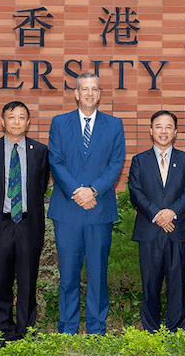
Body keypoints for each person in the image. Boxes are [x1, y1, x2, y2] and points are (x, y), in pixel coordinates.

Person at [47, 72, 126, 335]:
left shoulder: (114, 125)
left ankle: (96, 328)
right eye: (85, 89)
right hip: (67, 210)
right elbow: (55, 162)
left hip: (99, 209)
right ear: (77, 93)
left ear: (100, 93)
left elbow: (116, 164)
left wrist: (92, 190)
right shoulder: (59, 123)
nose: (90, 93)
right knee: (68, 274)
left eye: (95, 89)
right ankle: (67, 327)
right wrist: (76, 191)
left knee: (97, 275)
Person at [0, 101, 50, 343]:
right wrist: (3, 210)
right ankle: (3, 329)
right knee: (1, 279)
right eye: (12, 117)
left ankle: (25, 329)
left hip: (29, 223)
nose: (16, 122)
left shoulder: (40, 151)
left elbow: (40, 188)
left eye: (21, 117)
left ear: (28, 123)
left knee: (28, 279)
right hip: (2, 223)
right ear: (2, 121)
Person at [128, 110, 185, 332]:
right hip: (149, 230)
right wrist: (158, 215)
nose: (163, 131)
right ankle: (151, 331)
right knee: (150, 284)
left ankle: (175, 330)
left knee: (177, 284)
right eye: (158, 126)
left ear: (175, 132)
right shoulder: (139, 160)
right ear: (151, 130)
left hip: (177, 230)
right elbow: (135, 193)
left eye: (168, 127)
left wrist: (171, 212)